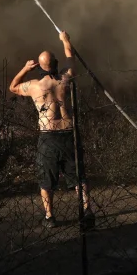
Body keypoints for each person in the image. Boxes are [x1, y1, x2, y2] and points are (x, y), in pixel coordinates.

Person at [9, 31, 95, 229]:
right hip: (69, 133)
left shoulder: (34, 86)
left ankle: (49, 217)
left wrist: (25, 68)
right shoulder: (66, 78)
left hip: (48, 138)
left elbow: (13, 87)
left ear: (39, 67)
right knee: (78, 176)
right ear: (56, 64)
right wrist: (65, 40)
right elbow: (70, 58)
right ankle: (87, 211)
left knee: (46, 179)